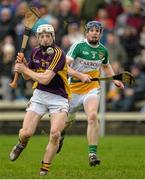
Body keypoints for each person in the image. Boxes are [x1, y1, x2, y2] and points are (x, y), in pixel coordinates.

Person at [57, 21, 124, 166]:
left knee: (93, 116)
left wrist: (114, 79)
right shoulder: (78, 46)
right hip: (73, 89)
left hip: (91, 88)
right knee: (64, 123)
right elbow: (64, 66)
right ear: (86, 32)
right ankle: (61, 135)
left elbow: (106, 65)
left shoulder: (103, 50)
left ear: (101, 33)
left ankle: (92, 154)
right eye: (91, 30)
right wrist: (80, 75)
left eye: (97, 31)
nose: (94, 33)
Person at [9, 24, 71, 175]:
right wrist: (22, 65)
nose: (45, 38)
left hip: (59, 97)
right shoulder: (35, 52)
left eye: (48, 36)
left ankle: (44, 168)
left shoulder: (58, 54)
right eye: (42, 36)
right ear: (38, 38)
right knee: (26, 133)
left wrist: (24, 69)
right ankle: (21, 144)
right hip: (40, 96)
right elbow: (28, 76)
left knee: (55, 133)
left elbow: (45, 79)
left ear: (52, 37)